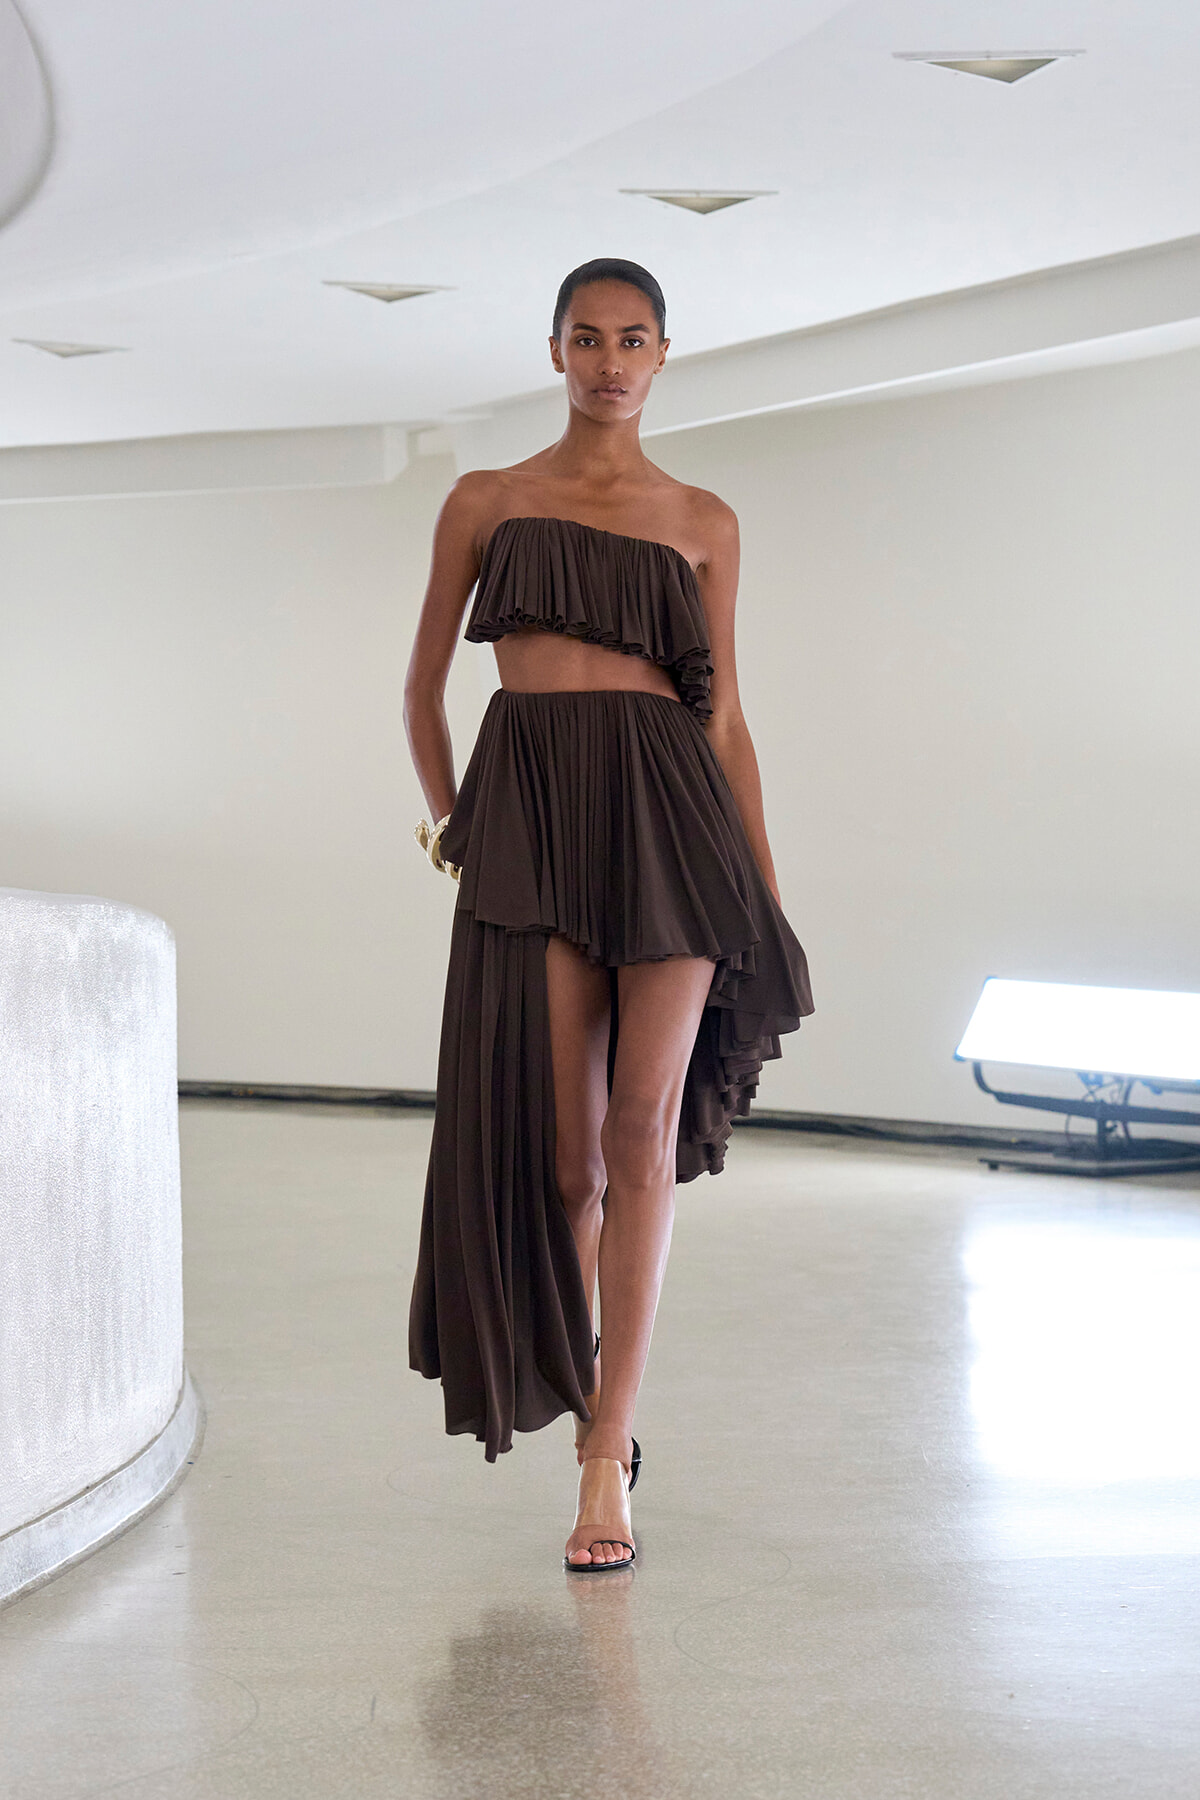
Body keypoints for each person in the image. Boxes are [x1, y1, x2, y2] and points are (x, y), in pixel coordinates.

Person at [404, 257, 813, 1572]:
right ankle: (590, 1405)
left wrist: (760, 876)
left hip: (671, 832)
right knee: (568, 1160)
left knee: (640, 1135)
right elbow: (422, 692)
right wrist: (462, 834)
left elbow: (726, 718)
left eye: (634, 340)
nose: (610, 362)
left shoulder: (703, 517)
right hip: (531, 824)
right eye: (587, 338)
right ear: (555, 349)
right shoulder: (486, 500)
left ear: (664, 354)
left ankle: (606, 1453)